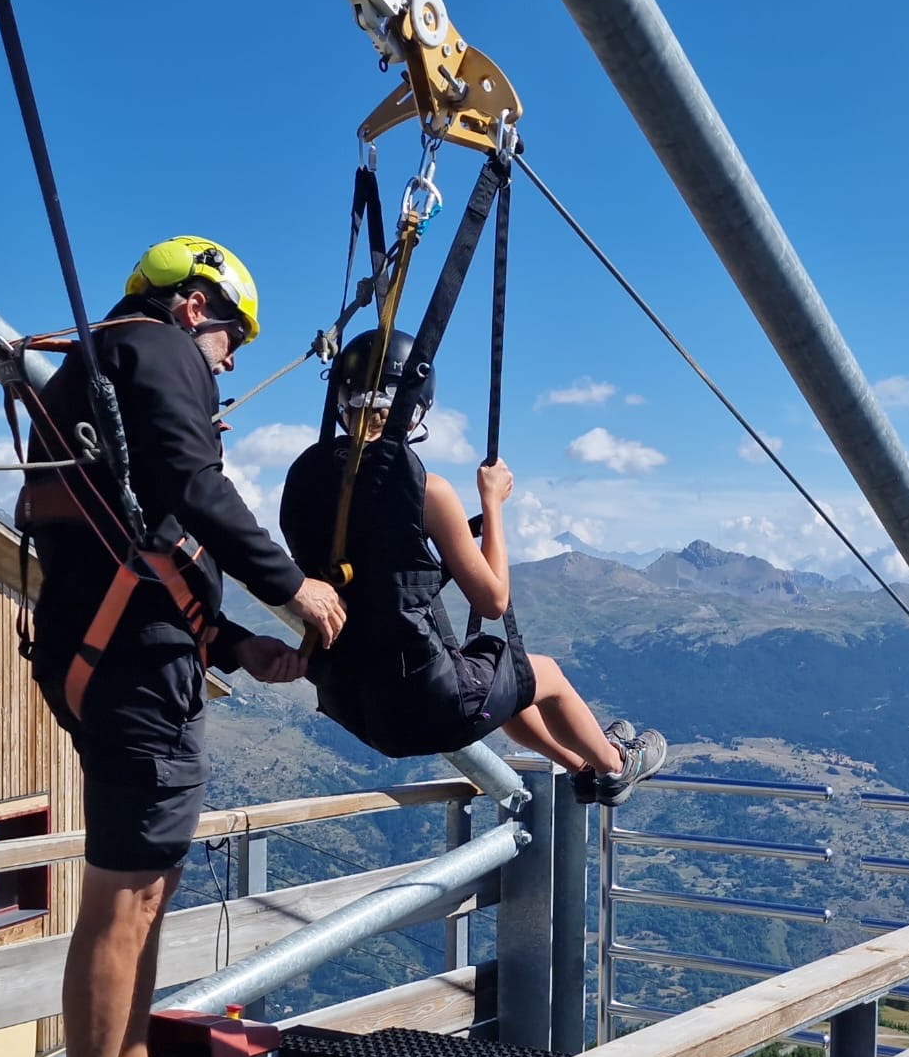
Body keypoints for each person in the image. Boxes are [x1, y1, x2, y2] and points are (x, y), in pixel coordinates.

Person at [19, 237, 346, 1057]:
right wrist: (297, 592)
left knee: (148, 882)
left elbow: (141, 538)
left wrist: (233, 643)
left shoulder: (98, 366)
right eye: (232, 337)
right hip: (130, 670)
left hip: (117, 650)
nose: (233, 361)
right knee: (124, 895)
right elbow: (195, 489)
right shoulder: (156, 351)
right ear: (195, 302)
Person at [280, 327, 663, 794]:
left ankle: (580, 768)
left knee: (510, 680)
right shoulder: (426, 490)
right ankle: (616, 765)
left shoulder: (304, 480)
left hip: (351, 700)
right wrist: (493, 502)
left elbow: (378, 571)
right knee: (545, 675)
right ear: (415, 404)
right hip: (423, 701)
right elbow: (493, 600)